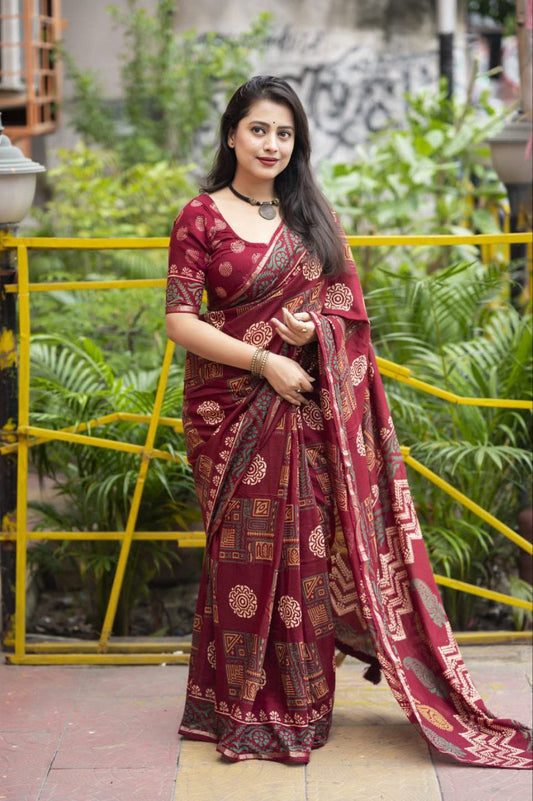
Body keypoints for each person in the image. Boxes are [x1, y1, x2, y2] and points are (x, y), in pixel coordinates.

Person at [165, 75, 532, 767]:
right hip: (230, 414)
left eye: (284, 133)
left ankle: (302, 705)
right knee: (241, 557)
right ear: (231, 134)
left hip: (305, 408)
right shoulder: (200, 216)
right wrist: (264, 362)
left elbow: (349, 316)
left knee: (304, 554)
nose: (271, 144)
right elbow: (180, 320)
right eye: (258, 129)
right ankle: (232, 704)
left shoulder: (312, 216)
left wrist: (316, 335)